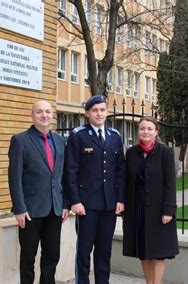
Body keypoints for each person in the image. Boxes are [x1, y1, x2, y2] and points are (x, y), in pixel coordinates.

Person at [64, 95, 125, 284]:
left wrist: (120, 199)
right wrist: (74, 201)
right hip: (86, 204)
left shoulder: (115, 136)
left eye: (102, 110)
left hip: (109, 204)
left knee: (104, 250)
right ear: (87, 113)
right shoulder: (78, 135)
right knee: (84, 251)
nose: (99, 113)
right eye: (95, 110)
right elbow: (70, 170)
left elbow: (120, 171)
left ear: (107, 112)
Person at [8, 100, 69, 284]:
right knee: (28, 258)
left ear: (52, 115)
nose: (44, 115)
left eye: (48, 112)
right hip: (30, 211)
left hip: (55, 209)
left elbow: (63, 175)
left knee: (52, 256)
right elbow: (14, 177)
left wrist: (65, 203)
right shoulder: (20, 140)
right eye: (39, 112)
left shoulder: (60, 141)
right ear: (32, 115)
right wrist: (19, 208)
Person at [122, 116, 178, 284]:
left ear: (156, 132)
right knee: (143, 250)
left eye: (149, 129)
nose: (145, 132)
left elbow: (170, 183)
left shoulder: (165, 152)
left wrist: (169, 209)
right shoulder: (131, 153)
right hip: (137, 208)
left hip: (159, 209)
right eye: (142, 128)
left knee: (159, 252)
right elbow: (126, 180)